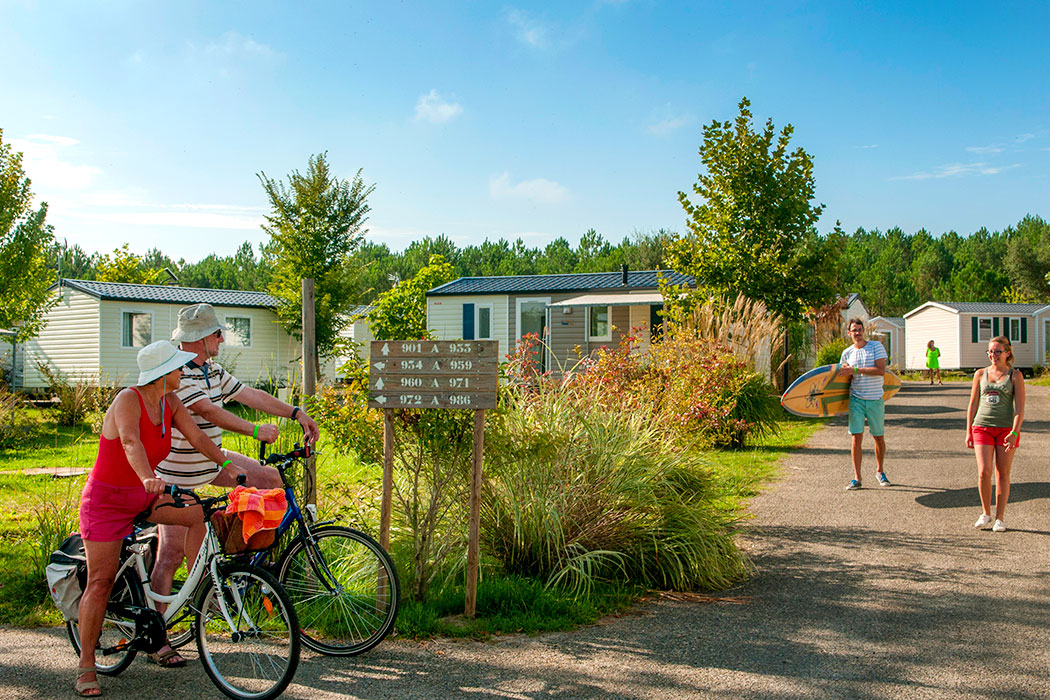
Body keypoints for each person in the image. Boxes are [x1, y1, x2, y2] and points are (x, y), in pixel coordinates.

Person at [148, 303, 320, 662]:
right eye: (216, 334)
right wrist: (256, 429)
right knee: (170, 555)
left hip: (210, 463)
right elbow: (209, 413)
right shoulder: (177, 373)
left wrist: (295, 412)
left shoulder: (211, 369)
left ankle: (255, 565)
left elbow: (248, 395)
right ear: (199, 338)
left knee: (270, 478)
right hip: (178, 473)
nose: (221, 339)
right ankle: (158, 639)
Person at [75, 341, 233, 697]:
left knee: (198, 515)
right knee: (99, 582)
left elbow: (196, 437)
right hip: (107, 501)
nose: (183, 372)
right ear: (162, 374)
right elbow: (130, 442)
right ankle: (86, 665)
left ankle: (194, 596)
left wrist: (227, 465)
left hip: (144, 496)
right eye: (178, 368)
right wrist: (148, 476)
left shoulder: (171, 401)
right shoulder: (127, 400)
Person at [966, 335, 1025, 532]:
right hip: (981, 427)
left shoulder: (1015, 376)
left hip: (1006, 430)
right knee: (984, 471)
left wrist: (1015, 433)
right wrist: (969, 431)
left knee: (1002, 474)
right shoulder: (980, 374)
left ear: (1007, 353)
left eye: (998, 351)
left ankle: (1000, 518)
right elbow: (973, 404)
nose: (993, 355)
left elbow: (1019, 409)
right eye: (990, 351)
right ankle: (985, 513)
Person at [838, 318, 889, 490]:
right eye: (854, 330)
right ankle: (857, 478)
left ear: (863, 331)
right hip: (856, 399)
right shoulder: (847, 353)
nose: (858, 333)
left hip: (875, 399)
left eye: (860, 329)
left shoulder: (876, 347)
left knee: (878, 437)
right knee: (856, 437)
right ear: (849, 333)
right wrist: (845, 371)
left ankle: (880, 471)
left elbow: (880, 370)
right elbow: (844, 378)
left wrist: (855, 370)